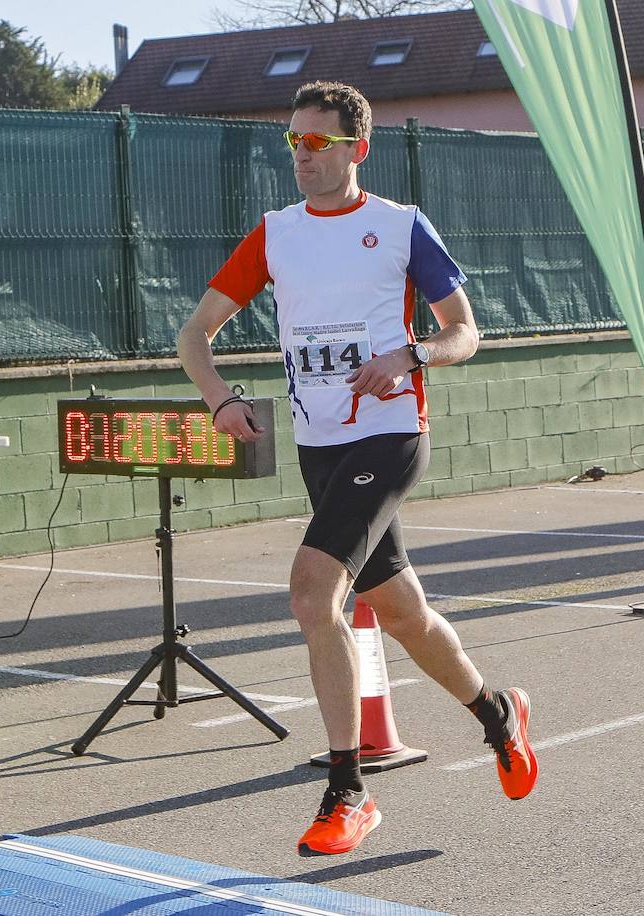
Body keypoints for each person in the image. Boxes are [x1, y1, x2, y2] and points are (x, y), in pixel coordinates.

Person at [177, 81, 537, 857]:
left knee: (313, 591)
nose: (302, 156)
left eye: (318, 143)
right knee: (404, 613)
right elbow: (195, 334)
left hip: (391, 433)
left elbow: (464, 332)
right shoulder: (275, 233)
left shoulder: (400, 227)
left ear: (355, 149)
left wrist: (410, 354)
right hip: (322, 447)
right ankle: (497, 714)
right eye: (294, 143)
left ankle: (348, 788)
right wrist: (219, 401)